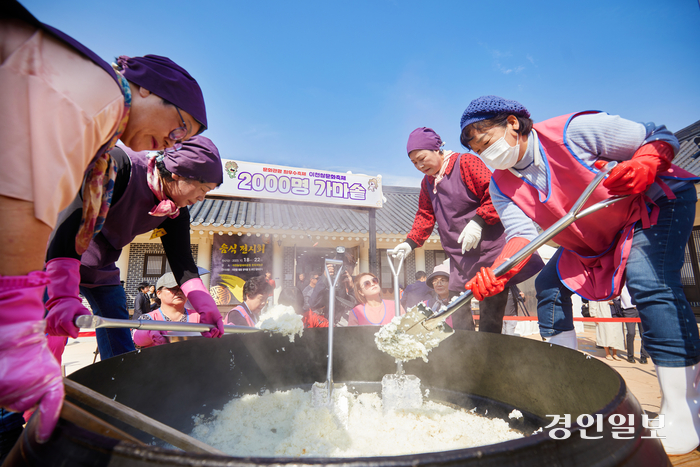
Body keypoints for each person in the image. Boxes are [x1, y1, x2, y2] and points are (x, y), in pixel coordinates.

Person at [0, 1, 209, 446]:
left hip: (93, 270)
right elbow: (31, 194)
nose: (171, 141)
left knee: (114, 344)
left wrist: (202, 301)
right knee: (22, 364)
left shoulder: (108, 143)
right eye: (179, 127)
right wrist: (18, 321)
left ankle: (121, 403)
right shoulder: (99, 100)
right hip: (45, 262)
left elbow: (182, 260)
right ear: (148, 89)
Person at [460, 95, 700, 454]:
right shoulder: (501, 185)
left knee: (648, 282)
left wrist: (648, 160)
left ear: (513, 123)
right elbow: (521, 236)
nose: (485, 151)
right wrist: (498, 271)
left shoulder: (573, 132)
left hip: (649, 205)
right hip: (594, 236)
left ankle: (683, 409)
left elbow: (657, 135)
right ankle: (568, 387)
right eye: (477, 148)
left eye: (486, 138)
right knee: (549, 285)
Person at [45, 136, 225, 361]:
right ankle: (35, 389)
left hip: (102, 265)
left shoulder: (175, 210)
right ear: (179, 173)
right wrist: (61, 294)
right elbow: (70, 222)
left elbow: (183, 264)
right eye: (202, 188)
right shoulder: (120, 165)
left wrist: (205, 306)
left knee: (118, 330)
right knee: (49, 335)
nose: (202, 198)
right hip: (59, 256)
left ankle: (117, 388)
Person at [394, 127, 542, 332]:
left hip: (490, 253)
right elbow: (425, 215)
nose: (419, 165)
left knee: (490, 319)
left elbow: (495, 193)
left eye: (422, 158)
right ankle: (465, 359)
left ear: (436, 149)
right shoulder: (427, 182)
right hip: (460, 258)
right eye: (414, 163)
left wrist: (477, 222)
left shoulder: (465, 163)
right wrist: (409, 243)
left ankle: (489, 360)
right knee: (458, 313)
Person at [132, 273, 202, 348]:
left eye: (182, 288)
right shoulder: (148, 319)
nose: (179, 292)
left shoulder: (199, 317)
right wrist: (149, 333)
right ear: (158, 293)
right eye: (173, 288)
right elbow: (135, 339)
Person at [309, 254, 357, 326]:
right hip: (333, 328)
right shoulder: (329, 284)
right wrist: (324, 277)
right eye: (339, 266)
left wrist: (352, 288)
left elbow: (361, 307)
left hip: (353, 328)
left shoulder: (357, 282)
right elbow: (313, 304)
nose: (342, 269)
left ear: (352, 269)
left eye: (345, 266)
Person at [619, 284, 649, 364]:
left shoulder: (638, 282)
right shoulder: (621, 284)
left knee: (644, 334)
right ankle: (630, 355)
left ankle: (644, 355)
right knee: (631, 333)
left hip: (641, 309)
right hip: (628, 310)